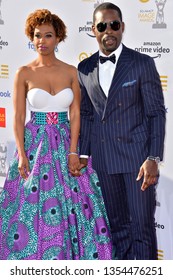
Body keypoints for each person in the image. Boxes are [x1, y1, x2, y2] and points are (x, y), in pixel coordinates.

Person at [0, 9, 113, 260]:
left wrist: (74, 150)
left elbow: (76, 115)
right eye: (37, 35)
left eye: (48, 35)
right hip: (35, 143)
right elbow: (18, 118)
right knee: (31, 204)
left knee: (74, 201)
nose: (42, 41)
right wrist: (20, 154)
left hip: (65, 141)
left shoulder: (71, 71)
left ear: (58, 38)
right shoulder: (24, 73)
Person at [78, 2, 166, 260]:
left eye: (114, 25)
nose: (109, 31)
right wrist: (83, 154)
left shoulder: (141, 63)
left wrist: (153, 158)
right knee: (117, 229)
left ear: (122, 27)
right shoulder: (84, 69)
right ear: (94, 30)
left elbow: (156, 113)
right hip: (104, 162)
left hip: (137, 161)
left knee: (142, 228)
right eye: (102, 26)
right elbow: (86, 115)